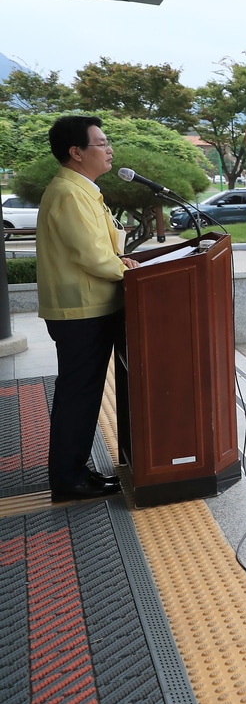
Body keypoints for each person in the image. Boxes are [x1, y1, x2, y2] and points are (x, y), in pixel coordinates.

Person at [37, 116, 139, 500]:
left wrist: (120, 261)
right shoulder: (68, 193)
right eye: (100, 143)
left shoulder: (82, 189)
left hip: (90, 306)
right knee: (78, 394)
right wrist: (123, 269)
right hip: (81, 310)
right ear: (76, 152)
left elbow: (101, 247)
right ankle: (68, 478)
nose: (109, 148)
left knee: (81, 393)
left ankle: (75, 470)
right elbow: (92, 256)